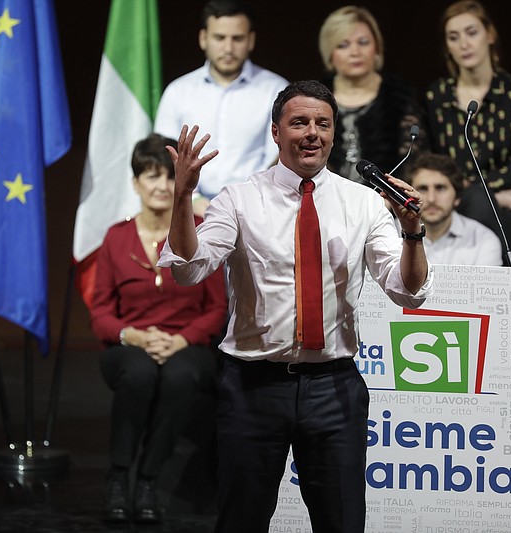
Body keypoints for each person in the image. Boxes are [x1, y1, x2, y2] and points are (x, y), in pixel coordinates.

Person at [157, 80, 432, 533]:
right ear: (275, 132)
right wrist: (183, 196)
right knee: (241, 521)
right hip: (252, 389)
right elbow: (189, 268)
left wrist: (412, 232)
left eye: (323, 123)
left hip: (334, 388)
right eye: (299, 122)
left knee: (342, 522)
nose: (312, 132)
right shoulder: (239, 198)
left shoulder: (362, 202)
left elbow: (409, 291)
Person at [90, 134, 228, 524]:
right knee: (138, 372)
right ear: (136, 183)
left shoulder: (201, 230)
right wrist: (132, 336)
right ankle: (119, 476)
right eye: (152, 176)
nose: (163, 186)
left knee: (181, 376)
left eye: (170, 177)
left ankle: (148, 478)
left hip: (189, 345)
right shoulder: (116, 238)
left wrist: (182, 339)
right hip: (128, 344)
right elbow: (99, 312)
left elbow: (217, 307)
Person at [154, 0, 288, 214]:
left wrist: (246, 200)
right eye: (219, 38)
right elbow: (164, 154)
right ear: (203, 38)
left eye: (237, 38)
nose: (228, 48)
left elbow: (279, 155)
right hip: (188, 208)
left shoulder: (277, 90)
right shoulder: (178, 91)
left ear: (251, 40)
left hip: (257, 208)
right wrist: (193, 198)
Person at [425, 0, 511, 250]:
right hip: (452, 204)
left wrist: (481, 196)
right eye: (453, 37)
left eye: (471, 33)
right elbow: (433, 160)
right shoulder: (437, 95)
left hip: (506, 211)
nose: (464, 44)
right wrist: (490, 197)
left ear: (490, 35)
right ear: (447, 47)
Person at [318, 6, 427, 182]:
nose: (355, 52)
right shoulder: (315, 97)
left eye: (363, 42)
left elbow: (414, 162)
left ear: (376, 49)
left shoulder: (399, 96)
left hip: (385, 201)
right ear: (329, 54)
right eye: (343, 45)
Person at [407, 152, 502, 266]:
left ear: (457, 197)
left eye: (440, 188)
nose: (431, 199)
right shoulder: (388, 231)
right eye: (423, 189)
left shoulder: (483, 240)